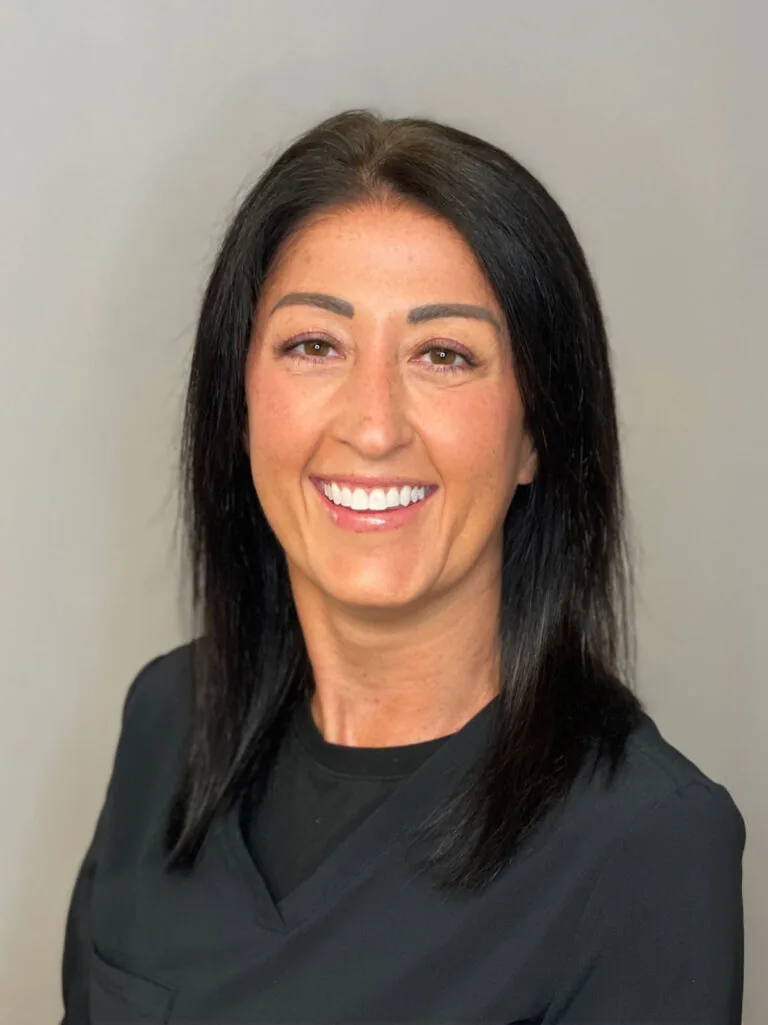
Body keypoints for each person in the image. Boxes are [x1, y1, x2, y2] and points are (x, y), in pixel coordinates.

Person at [59, 108, 746, 1024]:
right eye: (315, 345)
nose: (372, 425)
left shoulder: (645, 844)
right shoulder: (165, 719)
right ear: (240, 400)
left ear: (538, 431)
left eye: (443, 354)